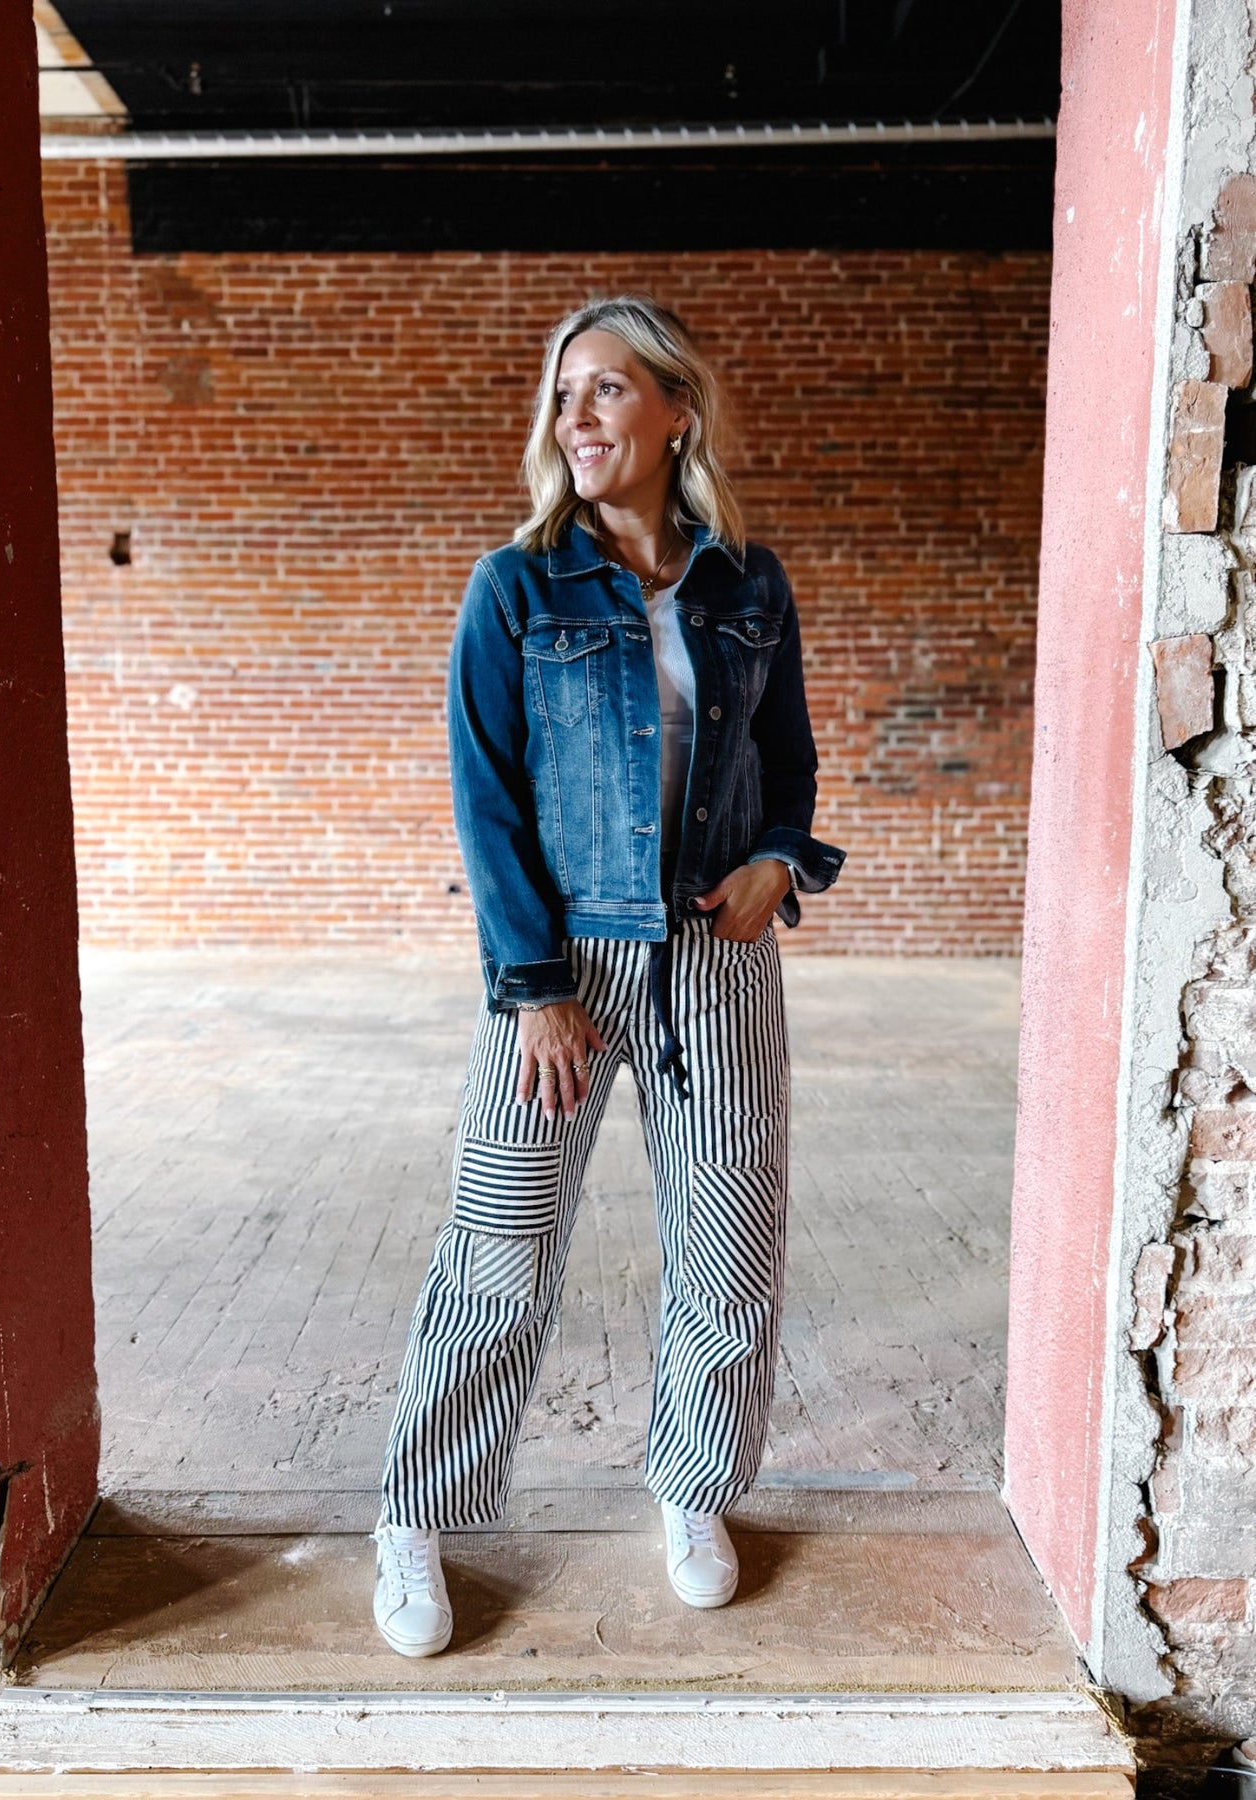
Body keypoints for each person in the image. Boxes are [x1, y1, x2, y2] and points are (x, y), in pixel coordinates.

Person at [372, 294, 843, 1657]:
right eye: (564, 395)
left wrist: (778, 864)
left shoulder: (747, 582)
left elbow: (791, 764)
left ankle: (693, 1489)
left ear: (677, 411)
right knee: (501, 1246)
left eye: (608, 390)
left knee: (728, 1243)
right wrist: (532, 985)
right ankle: (416, 1517)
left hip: (716, 960)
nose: (576, 418)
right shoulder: (514, 586)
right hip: (562, 961)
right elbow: (486, 800)